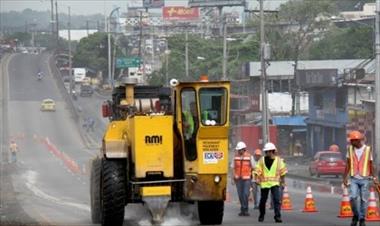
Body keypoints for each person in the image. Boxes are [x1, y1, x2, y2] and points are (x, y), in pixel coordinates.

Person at [343, 131, 378, 226]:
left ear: (357, 140)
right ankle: (356, 216)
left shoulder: (367, 149)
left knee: (363, 200)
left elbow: (370, 164)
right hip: (354, 178)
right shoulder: (350, 149)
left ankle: (362, 219)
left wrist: (374, 176)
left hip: (364, 178)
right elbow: (348, 164)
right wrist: (344, 177)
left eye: (352, 141)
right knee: (352, 198)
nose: (351, 142)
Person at [255, 142, 287, 223]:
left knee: (277, 200)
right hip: (264, 184)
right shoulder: (262, 160)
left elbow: (283, 172)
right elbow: (257, 170)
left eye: (268, 151)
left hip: (275, 183)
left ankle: (277, 216)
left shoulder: (279, 161)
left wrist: (283, 182)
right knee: (263, 201)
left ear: (272, 151)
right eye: (265, 151)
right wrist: (257, 178)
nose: (266, 153)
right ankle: (261, 215)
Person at [231, 141, 255, 216]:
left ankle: (245, 209)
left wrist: (253, 178)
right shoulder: (235, 157)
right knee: (240, 195)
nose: (238, 151)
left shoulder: (249, 157)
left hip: (247, 179)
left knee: (245, 194)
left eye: (240, 149)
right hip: (238, 179)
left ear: (244, 149)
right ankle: (242, 209)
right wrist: (232, 178)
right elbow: (232, 167)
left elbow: (254, 167)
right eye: (238, 150)